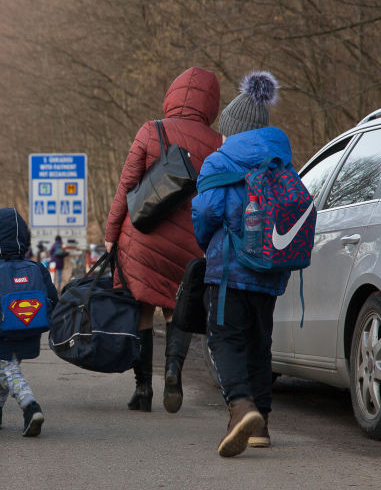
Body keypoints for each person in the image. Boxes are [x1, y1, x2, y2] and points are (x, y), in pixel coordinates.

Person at [104, 67, 222, 413]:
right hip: (188, 244)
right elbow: (216, 200)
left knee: (143, 309)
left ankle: (143, 390)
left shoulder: (150, 130)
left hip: (142, 237)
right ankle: (173, 371)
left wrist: (111, 236)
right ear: (211, 104)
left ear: (171, 96)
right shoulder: (218, 143)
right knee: (176, 309)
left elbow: (126, 188)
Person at [191, 71, 288, 457]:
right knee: (259, 345)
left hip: (228, 269)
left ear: (232, 128)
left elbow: (205, 213)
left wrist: (206, 247)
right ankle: (261, 423)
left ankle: (240, 407)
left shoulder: (219, 161)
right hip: (269, 270)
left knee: (225, 339)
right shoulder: (282, 160)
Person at [0, 208, 58, 437]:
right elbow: (52, 299)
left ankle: (30, 406)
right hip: (28, 330)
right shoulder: (36, 269)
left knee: (7, 369)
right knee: (6, 370)